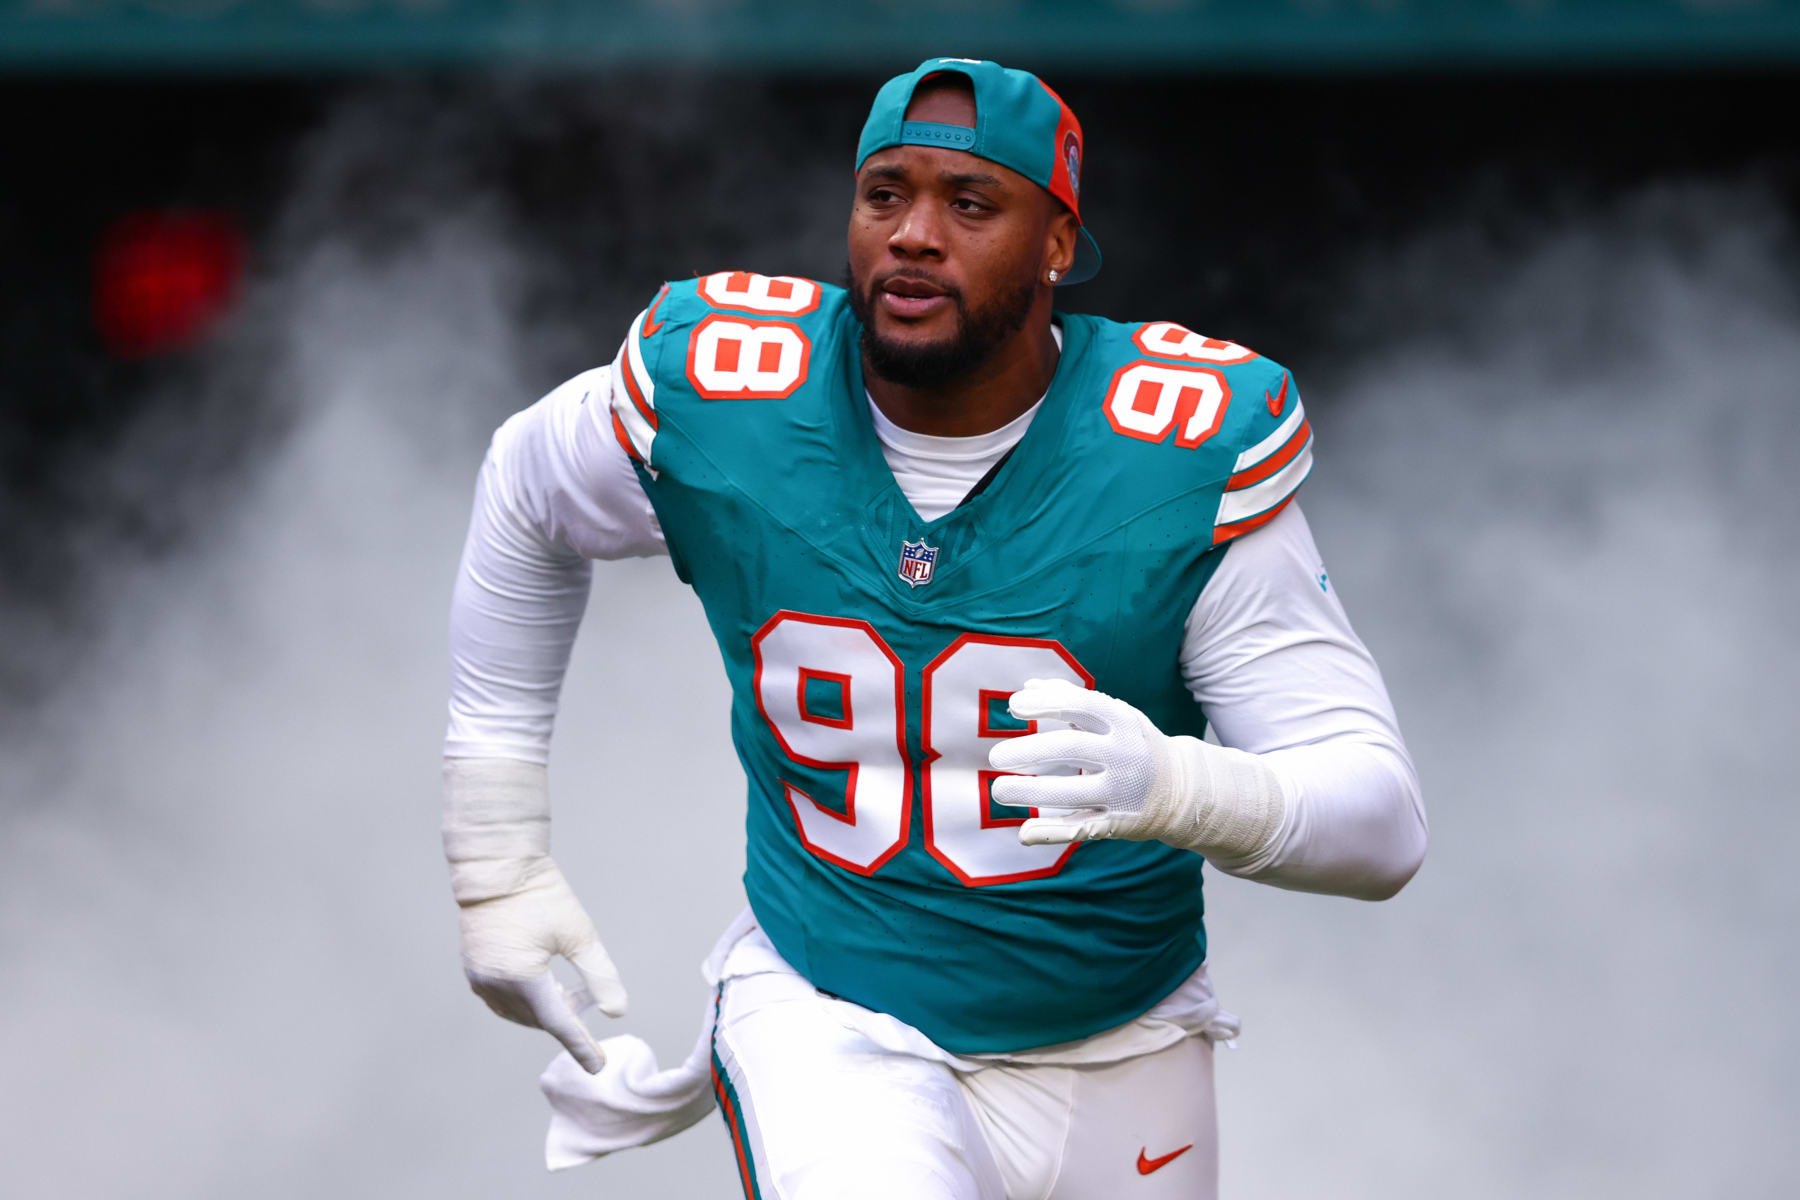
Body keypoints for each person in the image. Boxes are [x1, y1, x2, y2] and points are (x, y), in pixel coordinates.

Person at [442, 57, 1427, 1200]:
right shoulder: (732, 400)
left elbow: (1383, 823)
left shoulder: (1170, 463)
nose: (913, 235)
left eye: (969, 203)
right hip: (833, 1018)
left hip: (1124, 1041)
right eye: (884, 195)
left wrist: (1180, 788)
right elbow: (525, 486)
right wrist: (496, 858)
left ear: (1057, 243)